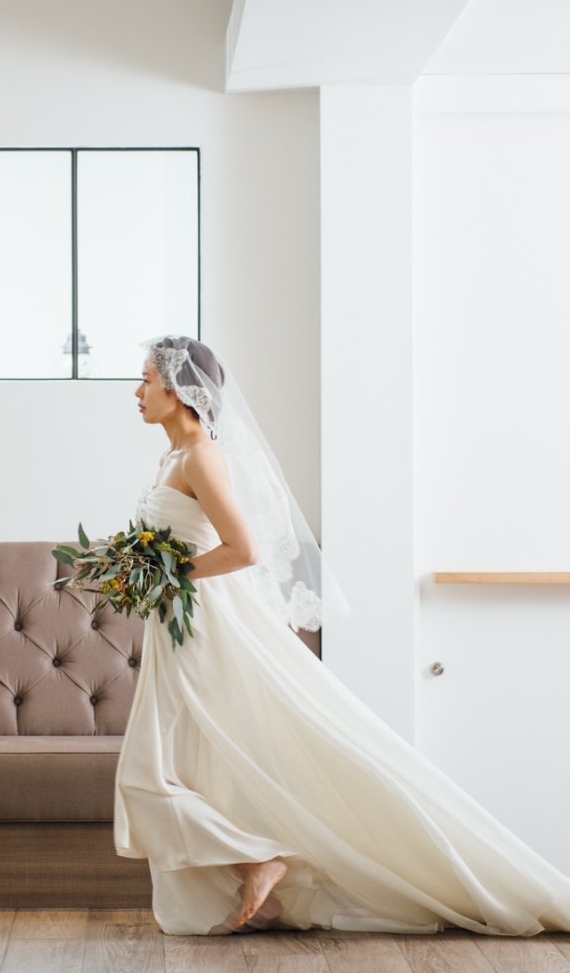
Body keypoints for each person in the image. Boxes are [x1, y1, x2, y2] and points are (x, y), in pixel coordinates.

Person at [113, 334, 570, 936]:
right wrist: (140, 569)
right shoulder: (171, 457)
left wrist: (168, 574)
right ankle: (263, 889)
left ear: (179, 390)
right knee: (192, 767)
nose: (136, 392)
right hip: (174, 627)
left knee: (144, 775)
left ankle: (260, 858)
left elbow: (243, 550)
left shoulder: (200, 454)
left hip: (201, 627)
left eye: (145, 379)